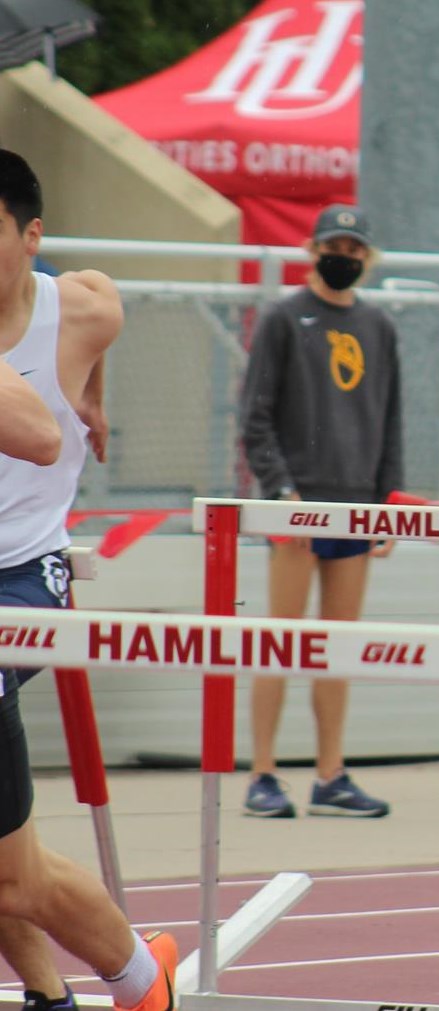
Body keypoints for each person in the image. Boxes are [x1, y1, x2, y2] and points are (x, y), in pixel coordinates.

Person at [0, 148, 179, 1011]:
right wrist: (93, 400)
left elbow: (104, 308)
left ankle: (138, 981)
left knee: (8, 867)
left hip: (26, 578)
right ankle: (52, 991)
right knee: (4, 861)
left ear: (31, 238)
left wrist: (88, 396)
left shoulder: (81, 308)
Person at [238, 204, 400, 819]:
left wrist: (389, 505)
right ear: (313, 249)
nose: (346, 256)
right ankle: (262, 773)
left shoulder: (380, 326)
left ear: (367, 258)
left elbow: (390, 422)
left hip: (357, 504)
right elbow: (255, 414)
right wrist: (282, 492)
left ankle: (331, 774)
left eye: (356, 249)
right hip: (297, 504)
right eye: (336, 245)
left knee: (339, 643)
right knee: (281, 638)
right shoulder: (283, 318)